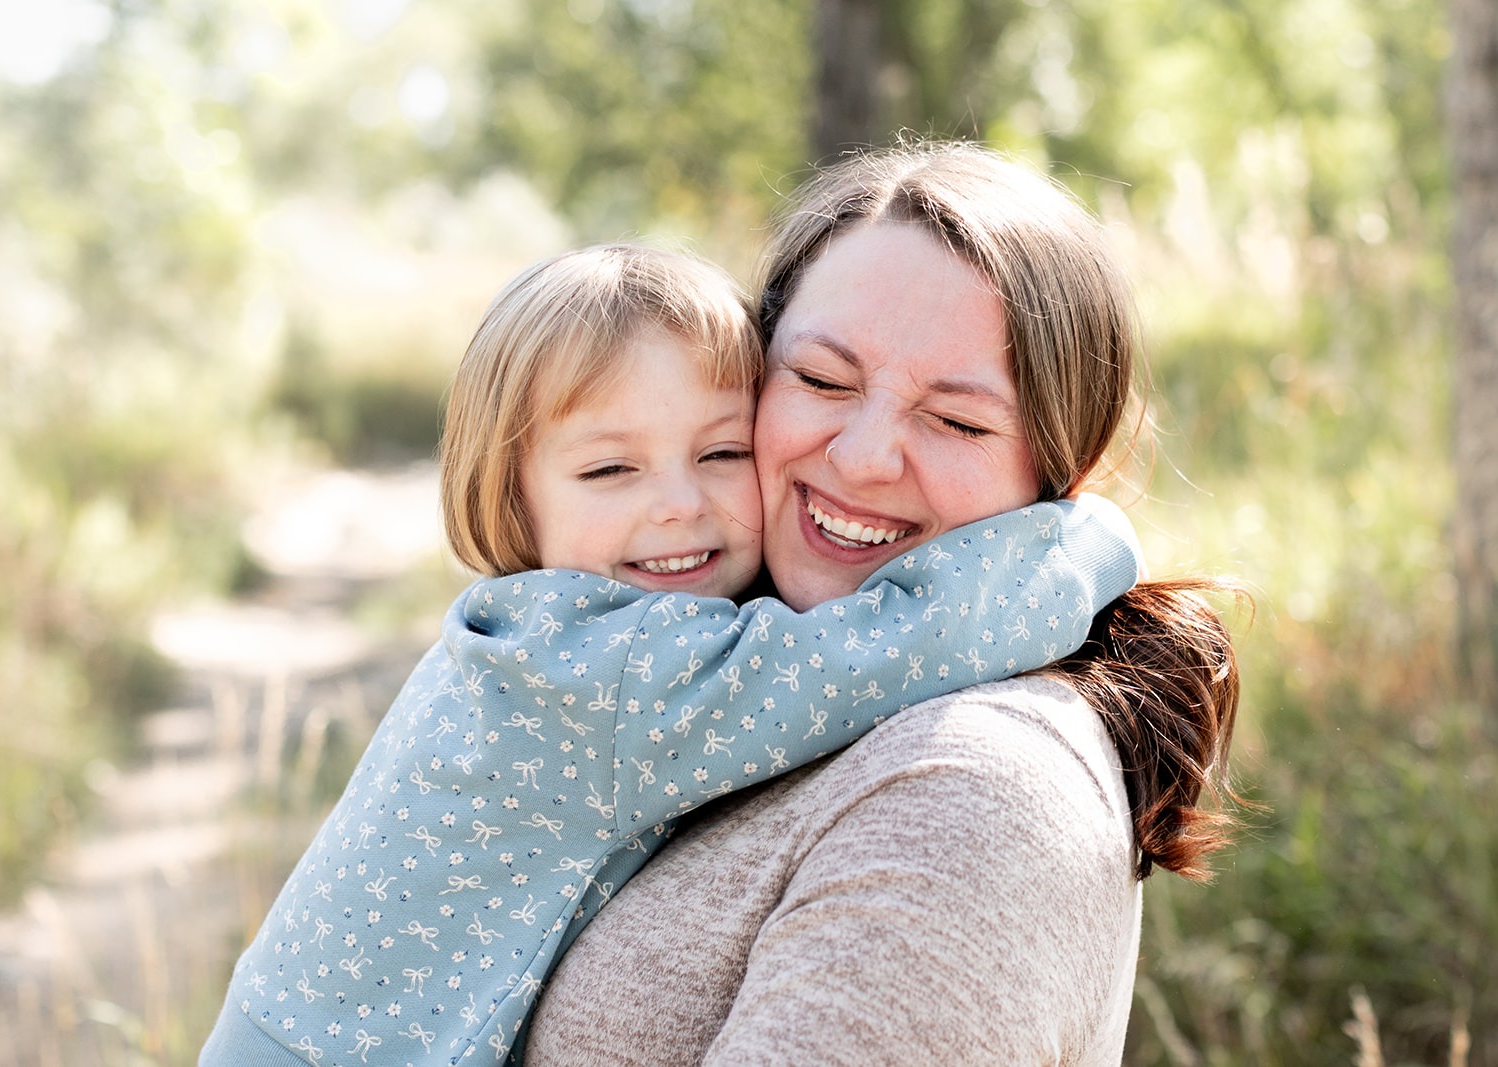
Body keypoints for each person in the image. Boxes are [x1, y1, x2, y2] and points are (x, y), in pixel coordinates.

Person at [199, 242, 1143, 1066]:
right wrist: (1078, 546)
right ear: (513, 497)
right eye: (611, 469)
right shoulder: (599, 671)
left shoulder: (533, 633)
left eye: (722, 453)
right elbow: (871, 654)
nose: (679, 506)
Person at [522, 143, 1244, 1064]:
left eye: (956, 420)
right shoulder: (711, 678)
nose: (863, 457)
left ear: (1057, 472)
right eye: (822, 380)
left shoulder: (970, 789)